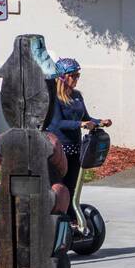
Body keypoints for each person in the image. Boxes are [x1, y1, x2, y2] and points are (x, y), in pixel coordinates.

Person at [45, 58, 111, 220]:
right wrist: (81, 124)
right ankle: (58, 217)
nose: (76, 79)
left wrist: (100, 121)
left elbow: (87, 118)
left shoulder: (77, 96)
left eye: (78, 75)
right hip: (59, 150)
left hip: (76, 148)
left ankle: (72, 217)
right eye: (73, 75)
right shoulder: (55, 99)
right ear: (62, 77)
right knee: (60, 188)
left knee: (72, 186)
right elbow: (57, 123)